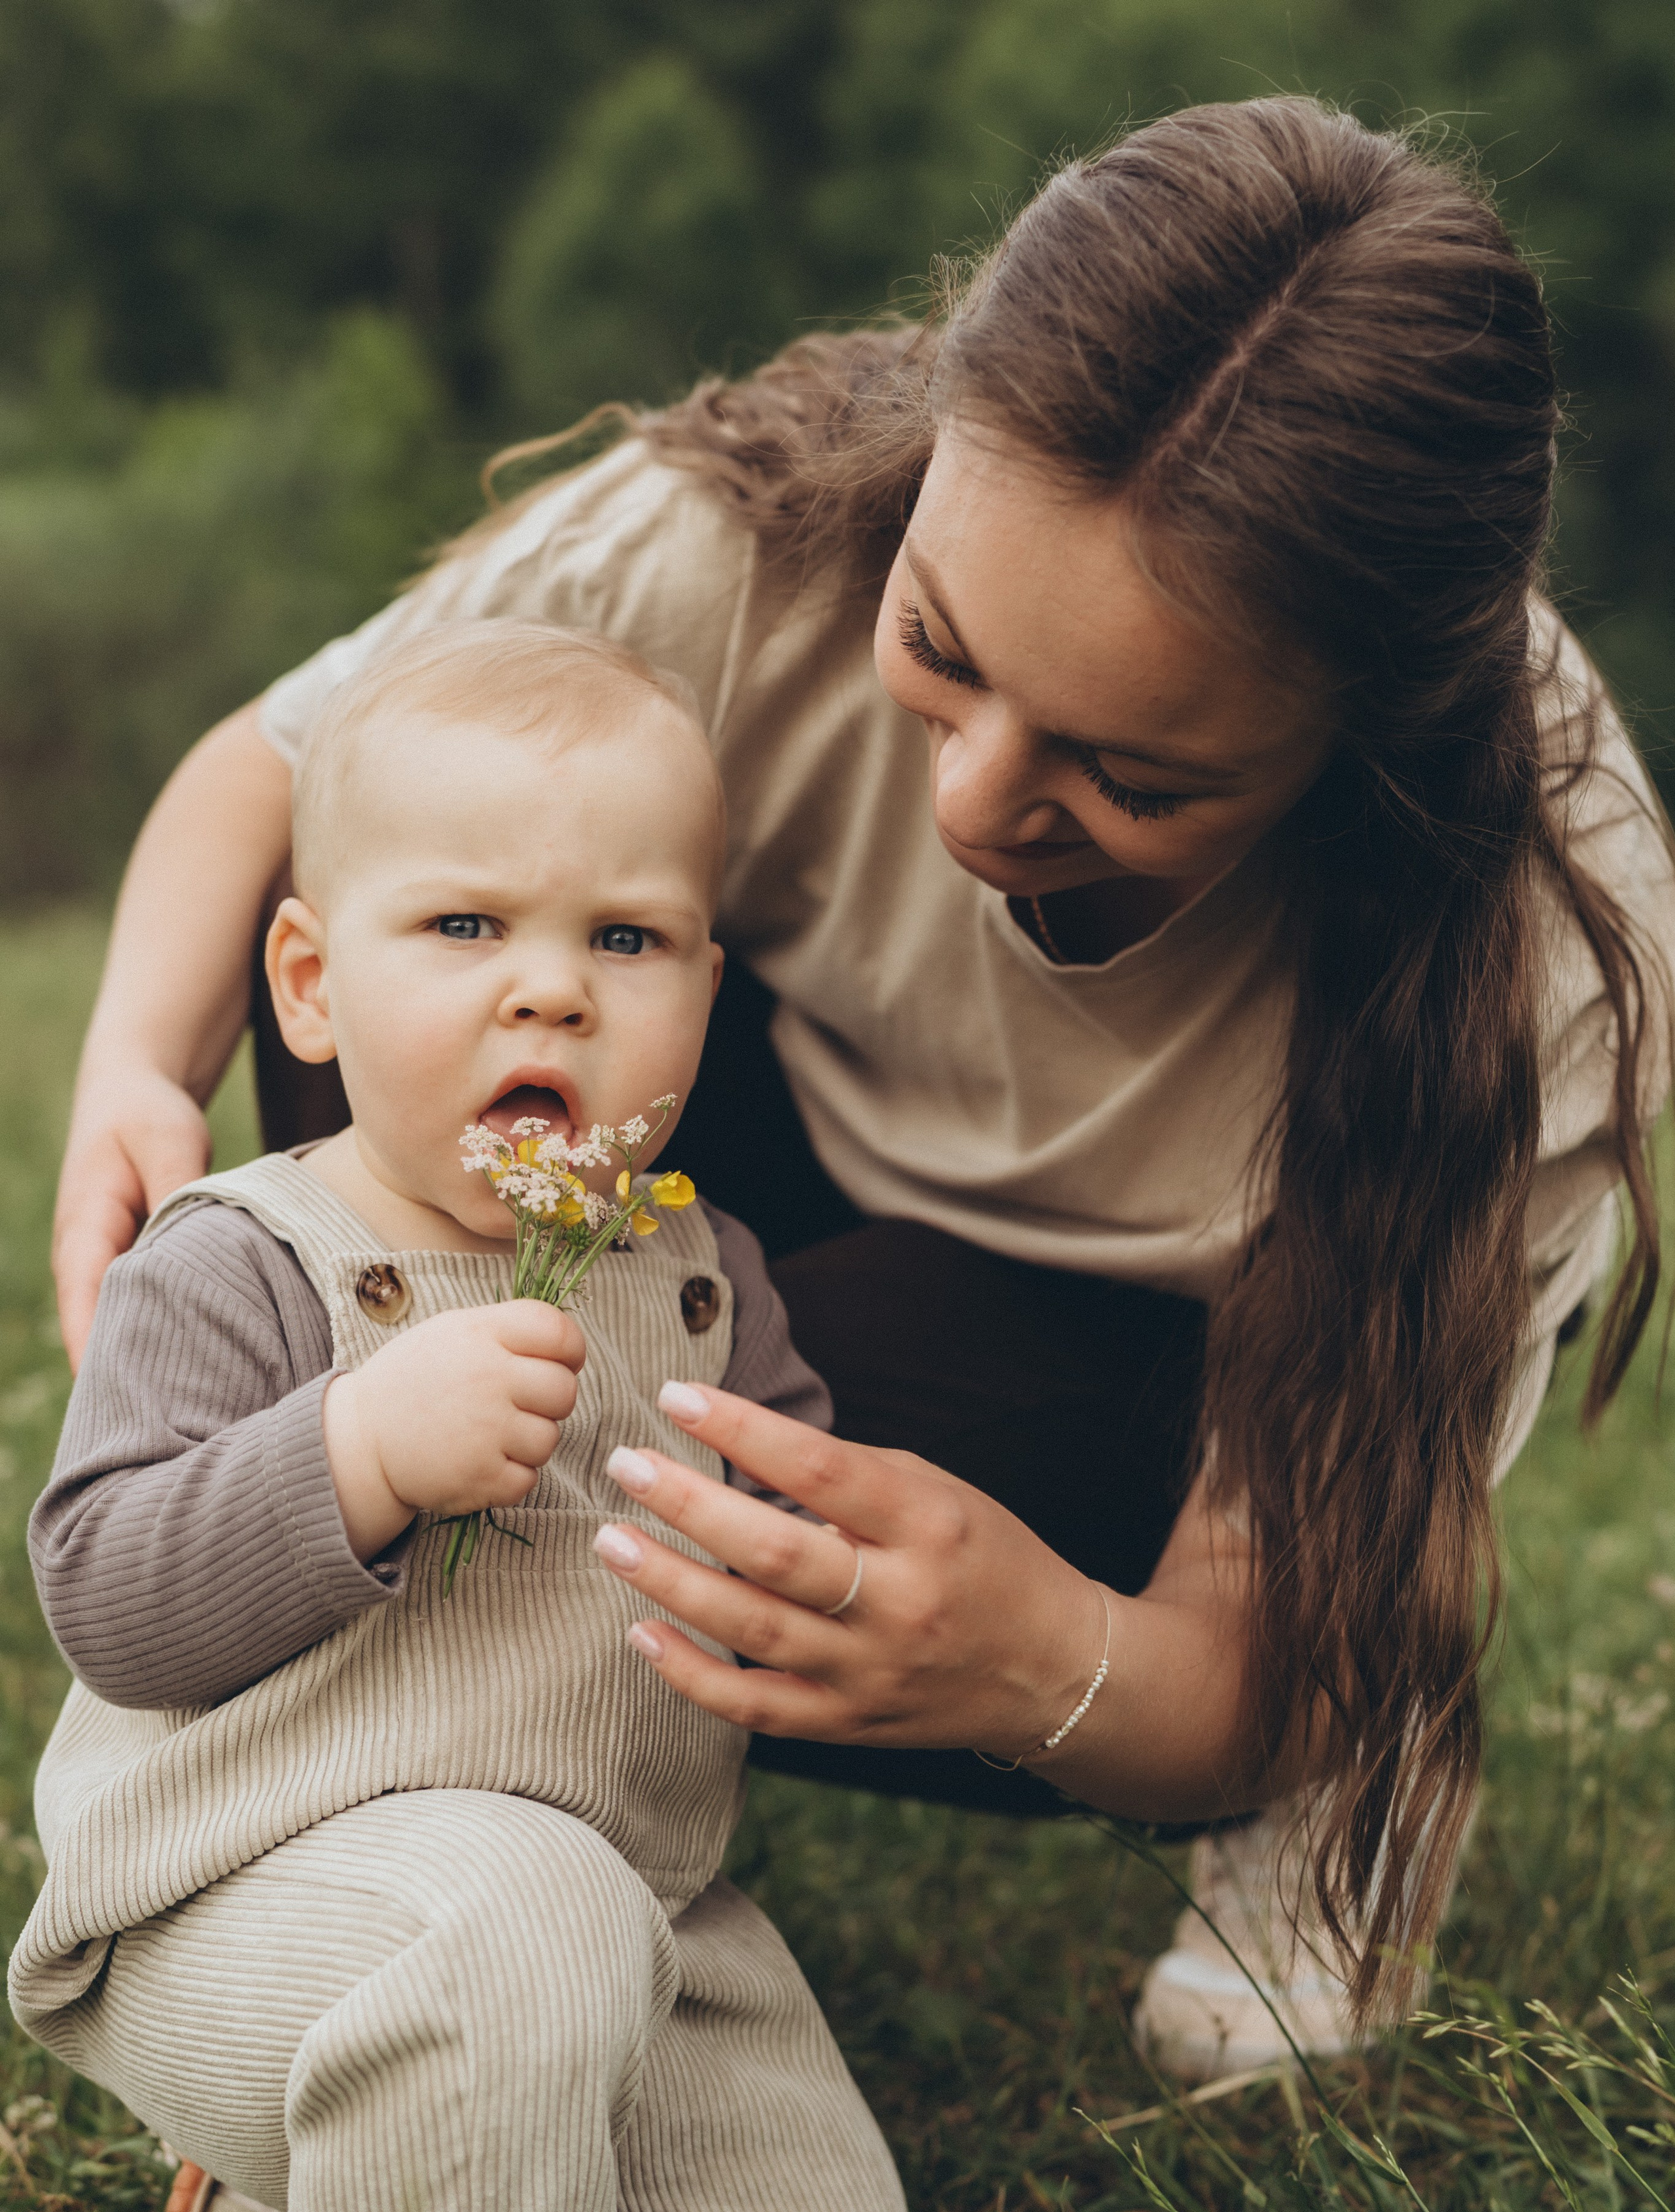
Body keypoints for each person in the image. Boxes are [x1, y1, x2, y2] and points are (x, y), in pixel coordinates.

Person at [48, 99, 1675, 2090]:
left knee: (1100, 1617)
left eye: (1135, 781)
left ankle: (1354, 1784)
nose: (973, 802)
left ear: (1367, 745)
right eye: (940, 647)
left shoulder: (1534, 941)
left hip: (1146, 1382)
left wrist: (1033, 1656)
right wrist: (140, 1066)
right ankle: (431, 1726)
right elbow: (282, 769)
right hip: (791, 1128)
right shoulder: (757, 531)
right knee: (434, 922)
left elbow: (1235, 1657)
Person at [12, 621, 909, 2212]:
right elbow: (106, 1588)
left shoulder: (698, 1272)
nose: (552, 998)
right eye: (467, 931)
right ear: (313, 988)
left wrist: (800, 1550)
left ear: (704, 997)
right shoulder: (245, 1256)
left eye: (625, 942)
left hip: (619, 1919)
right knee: (525, 1926)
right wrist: (353, 1455)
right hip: (242, 1898)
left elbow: (792, 1519)